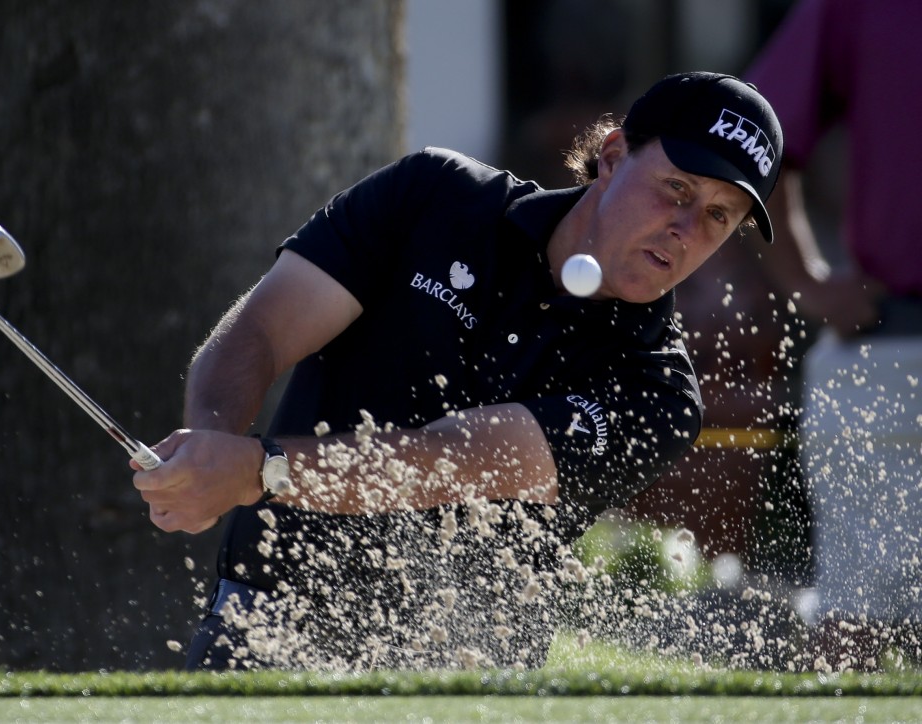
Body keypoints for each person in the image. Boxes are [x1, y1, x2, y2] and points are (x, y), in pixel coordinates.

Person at [132, 72, 784, 671]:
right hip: (267, 620)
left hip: (454, 673)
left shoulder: (659, 396)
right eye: (677, 190)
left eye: (718, 216)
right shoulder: (436, 196)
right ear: (612, 158)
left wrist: (255, 469)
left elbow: (445, 461)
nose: (685, 229)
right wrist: (208, 449)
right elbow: (262, 331)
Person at [746, 0, 922, 671]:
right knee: (854, 626)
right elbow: (757, 141)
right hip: (891, 350)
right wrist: (807, 285)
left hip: (886, 357)